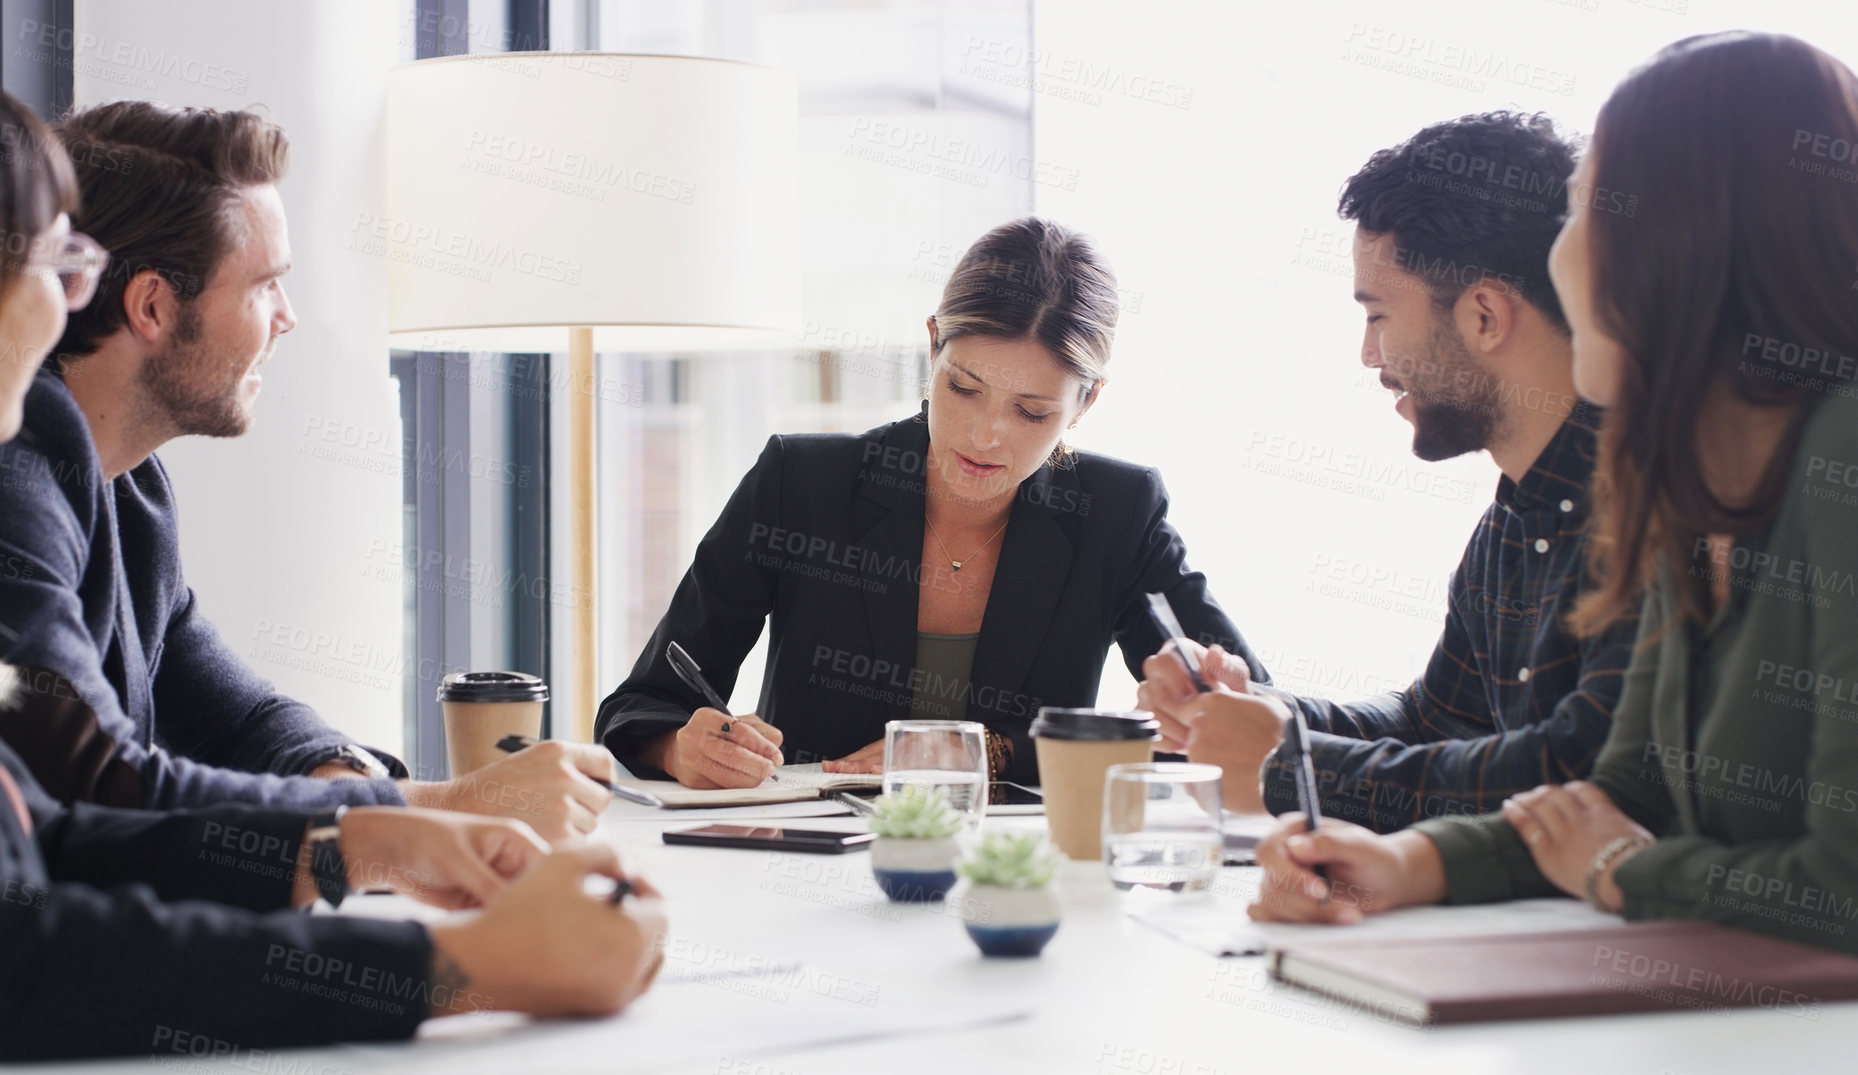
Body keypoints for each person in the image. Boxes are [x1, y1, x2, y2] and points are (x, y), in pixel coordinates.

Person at [0, 89, 666, 1061]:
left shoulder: (123, 485)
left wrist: (365, 829)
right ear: (149, 306)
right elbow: (51, 898)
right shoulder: (21, 477)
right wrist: (462, 952)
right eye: (55, 265)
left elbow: (68, 826)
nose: (290, 319)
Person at [1248, 31, 1858, 956]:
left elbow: (1838, 884)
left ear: (1684, 241)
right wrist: (1413, 864)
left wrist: (1626, 870)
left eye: (1582, 214)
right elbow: (1617, 797)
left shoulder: (1840, 455)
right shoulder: (1683, 489)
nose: (1560, 263)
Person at [597, 218, 1268, 788]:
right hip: (806, 867)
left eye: (1031, 412)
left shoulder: (1118, 514)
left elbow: (1250, 721)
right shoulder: (800, 484)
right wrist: (680, 748)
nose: (984, 436)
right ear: (932, 345)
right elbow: (642, 704)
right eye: (964, 388)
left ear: (1085, 402)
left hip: (1019, 880)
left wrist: (989, 751)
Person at [1139, 112, 1638, 831]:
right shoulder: (1508, 528)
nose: (1369, 356)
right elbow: (1431, 722)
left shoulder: (1651, 506)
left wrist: (1287, 762)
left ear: (1485, 317)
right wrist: (1266, 715)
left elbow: (1573, 774)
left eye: (1378, 315)